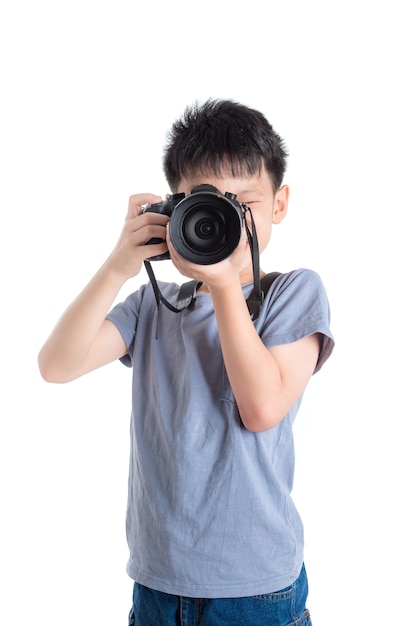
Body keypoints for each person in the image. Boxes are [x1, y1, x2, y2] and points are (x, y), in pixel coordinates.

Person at [38, 99, 334, 625]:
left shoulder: (293, 293)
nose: (230, 222)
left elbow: (262, 408)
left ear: (280, 203)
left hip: (255, 588)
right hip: (156, 581)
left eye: (246, 203)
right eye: (209, 206)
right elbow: (56, 366)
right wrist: (117, 266)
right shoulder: (152, 305)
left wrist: (222, 284)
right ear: (176, 209)